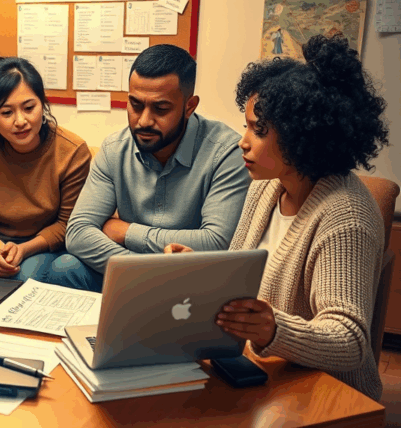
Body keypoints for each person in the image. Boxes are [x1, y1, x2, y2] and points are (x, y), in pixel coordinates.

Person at [166, 34, 389, 401]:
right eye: (246, 126)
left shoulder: (345, 216)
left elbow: (350, 342)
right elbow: (241, 277)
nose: (243, 141)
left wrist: (274, 330)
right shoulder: (266, 187)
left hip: (327, 395)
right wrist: (200, 270)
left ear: (303, 136)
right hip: (267, 374)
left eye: (259, 130)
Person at [62, 44, 250, 291]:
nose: (144, 121)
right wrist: (145, 272)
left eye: (160, 109)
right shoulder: (114, 149)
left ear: (189, 106)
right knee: (64, 267)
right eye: (135, 105)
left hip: (192, 281)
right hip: (130, 274)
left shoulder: (226, 152)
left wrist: (127, 232)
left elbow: (216, 243)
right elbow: (77, 233)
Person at [0, 57, 92, 283]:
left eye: (29, 108)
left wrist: (23, 250)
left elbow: (67, 224)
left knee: (22, 278)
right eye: (6, 112)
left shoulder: (72, 151)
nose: (20, 121)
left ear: (43, 104)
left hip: (42, 244)